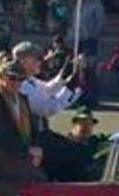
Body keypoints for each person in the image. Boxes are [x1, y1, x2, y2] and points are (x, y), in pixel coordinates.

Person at [12, 41, 84, 181]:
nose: (41, 61)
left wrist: (65, 74)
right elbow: (48, 108)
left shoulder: (29, 80)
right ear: (24, 61)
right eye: (37, 59)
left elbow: (47, 89)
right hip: (31, 138)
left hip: (40, 134)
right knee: (75, 155)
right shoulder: (20, 85)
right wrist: (70, 89)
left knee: (75, 148)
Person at [69, 0, 106, 107]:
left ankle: (92, 96)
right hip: (78, 40)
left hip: (90, 41)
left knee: (91, 69)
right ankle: (80, 95)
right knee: (79, 68)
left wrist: (93, 35)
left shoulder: (96, 5)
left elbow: (100, 22)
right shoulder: (79, 5)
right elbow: (74, 21)